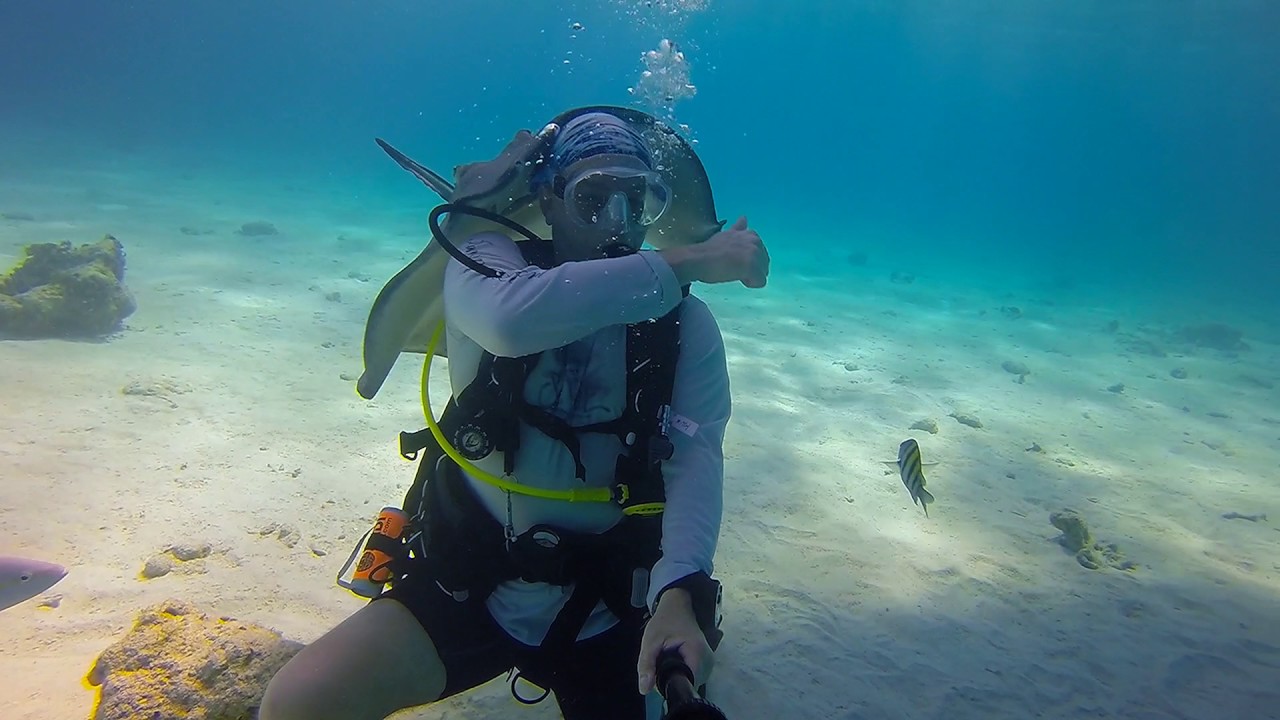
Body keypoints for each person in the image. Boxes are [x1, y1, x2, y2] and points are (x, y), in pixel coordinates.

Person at [259, 109, 769, 720]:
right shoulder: (484, 260)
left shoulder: (686, 327)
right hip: (469, 584)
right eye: (593, 199)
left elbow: (695, 463)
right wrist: (692, 260)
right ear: (548, 202)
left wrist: (680, 591)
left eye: (637, 202)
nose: (618, 224)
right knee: (297, 704)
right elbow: (510, 321)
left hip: (609, 603)